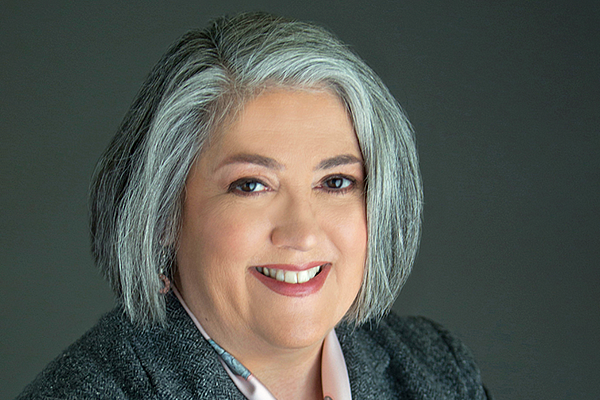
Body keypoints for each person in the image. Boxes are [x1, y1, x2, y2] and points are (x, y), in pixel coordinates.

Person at [16, 12, 491, 400]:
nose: (302, 232)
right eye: (251, 185)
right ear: (164, 214)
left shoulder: (436, 370)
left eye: (336, 181)